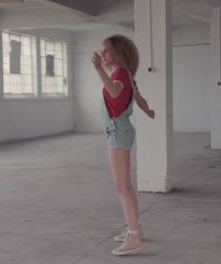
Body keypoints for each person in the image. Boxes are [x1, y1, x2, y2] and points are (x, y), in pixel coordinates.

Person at [91, 35, 155, 256]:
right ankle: (135, 227)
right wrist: (149, 111)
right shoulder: (127, 74)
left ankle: (133, 235)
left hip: (118, 132)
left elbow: (115, 91)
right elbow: (138, 98)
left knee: (121, 187)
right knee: (125, 186)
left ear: (117, 52)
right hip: (121, 130)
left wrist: (99, 69)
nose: (102, 55)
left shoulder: (119, 74)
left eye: (106, 51)